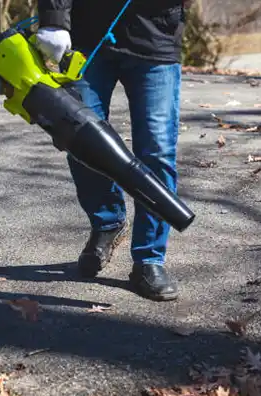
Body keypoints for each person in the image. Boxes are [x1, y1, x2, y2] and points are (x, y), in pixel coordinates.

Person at [35, 0, 189, 301]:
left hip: (156, 36)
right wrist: (54, 20)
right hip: (87, 36)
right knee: (80, 141)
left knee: (156, 151)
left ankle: (149, 259)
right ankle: (108, 221)